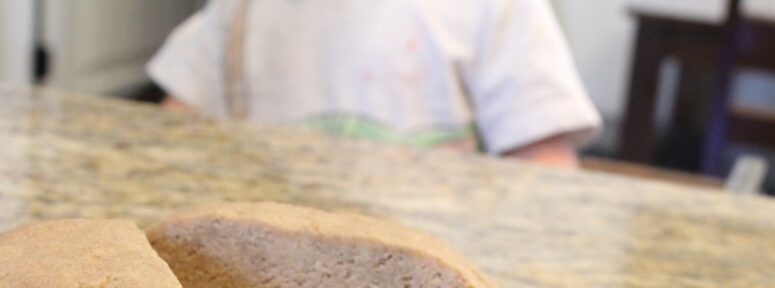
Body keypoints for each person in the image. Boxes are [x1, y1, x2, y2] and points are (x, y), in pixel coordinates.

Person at [147, 0, 601, 167]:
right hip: (266, 267)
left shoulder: (495, 8)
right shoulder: (243, 9)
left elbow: (545, 162)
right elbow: (175, 133)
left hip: (439, 274)